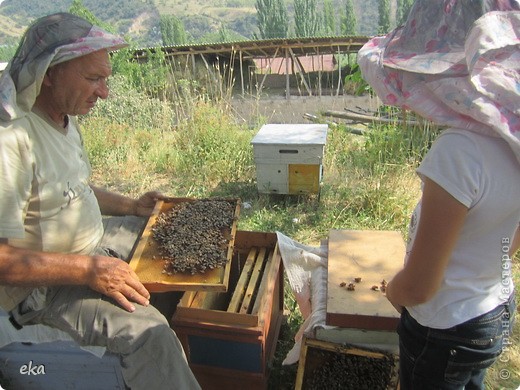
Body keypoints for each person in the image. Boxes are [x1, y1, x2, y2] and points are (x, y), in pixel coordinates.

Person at [0, 12, 201, 389]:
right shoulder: (10, 141)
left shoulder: (63, 116)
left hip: (93, 246)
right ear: (49, 73)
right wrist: (88, 271)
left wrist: (131, 206)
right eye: (93, 79)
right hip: (42, 293)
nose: (104, 92)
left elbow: (71, 188)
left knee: (169, 232)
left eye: (105, 79)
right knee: (151, 336)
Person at [358, 1, 520, 389]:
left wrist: (393, 289)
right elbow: (508, 245)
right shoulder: (512, 139)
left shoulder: (460, 153)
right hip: (493, 312)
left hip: (443, 331)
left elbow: (418, 288)